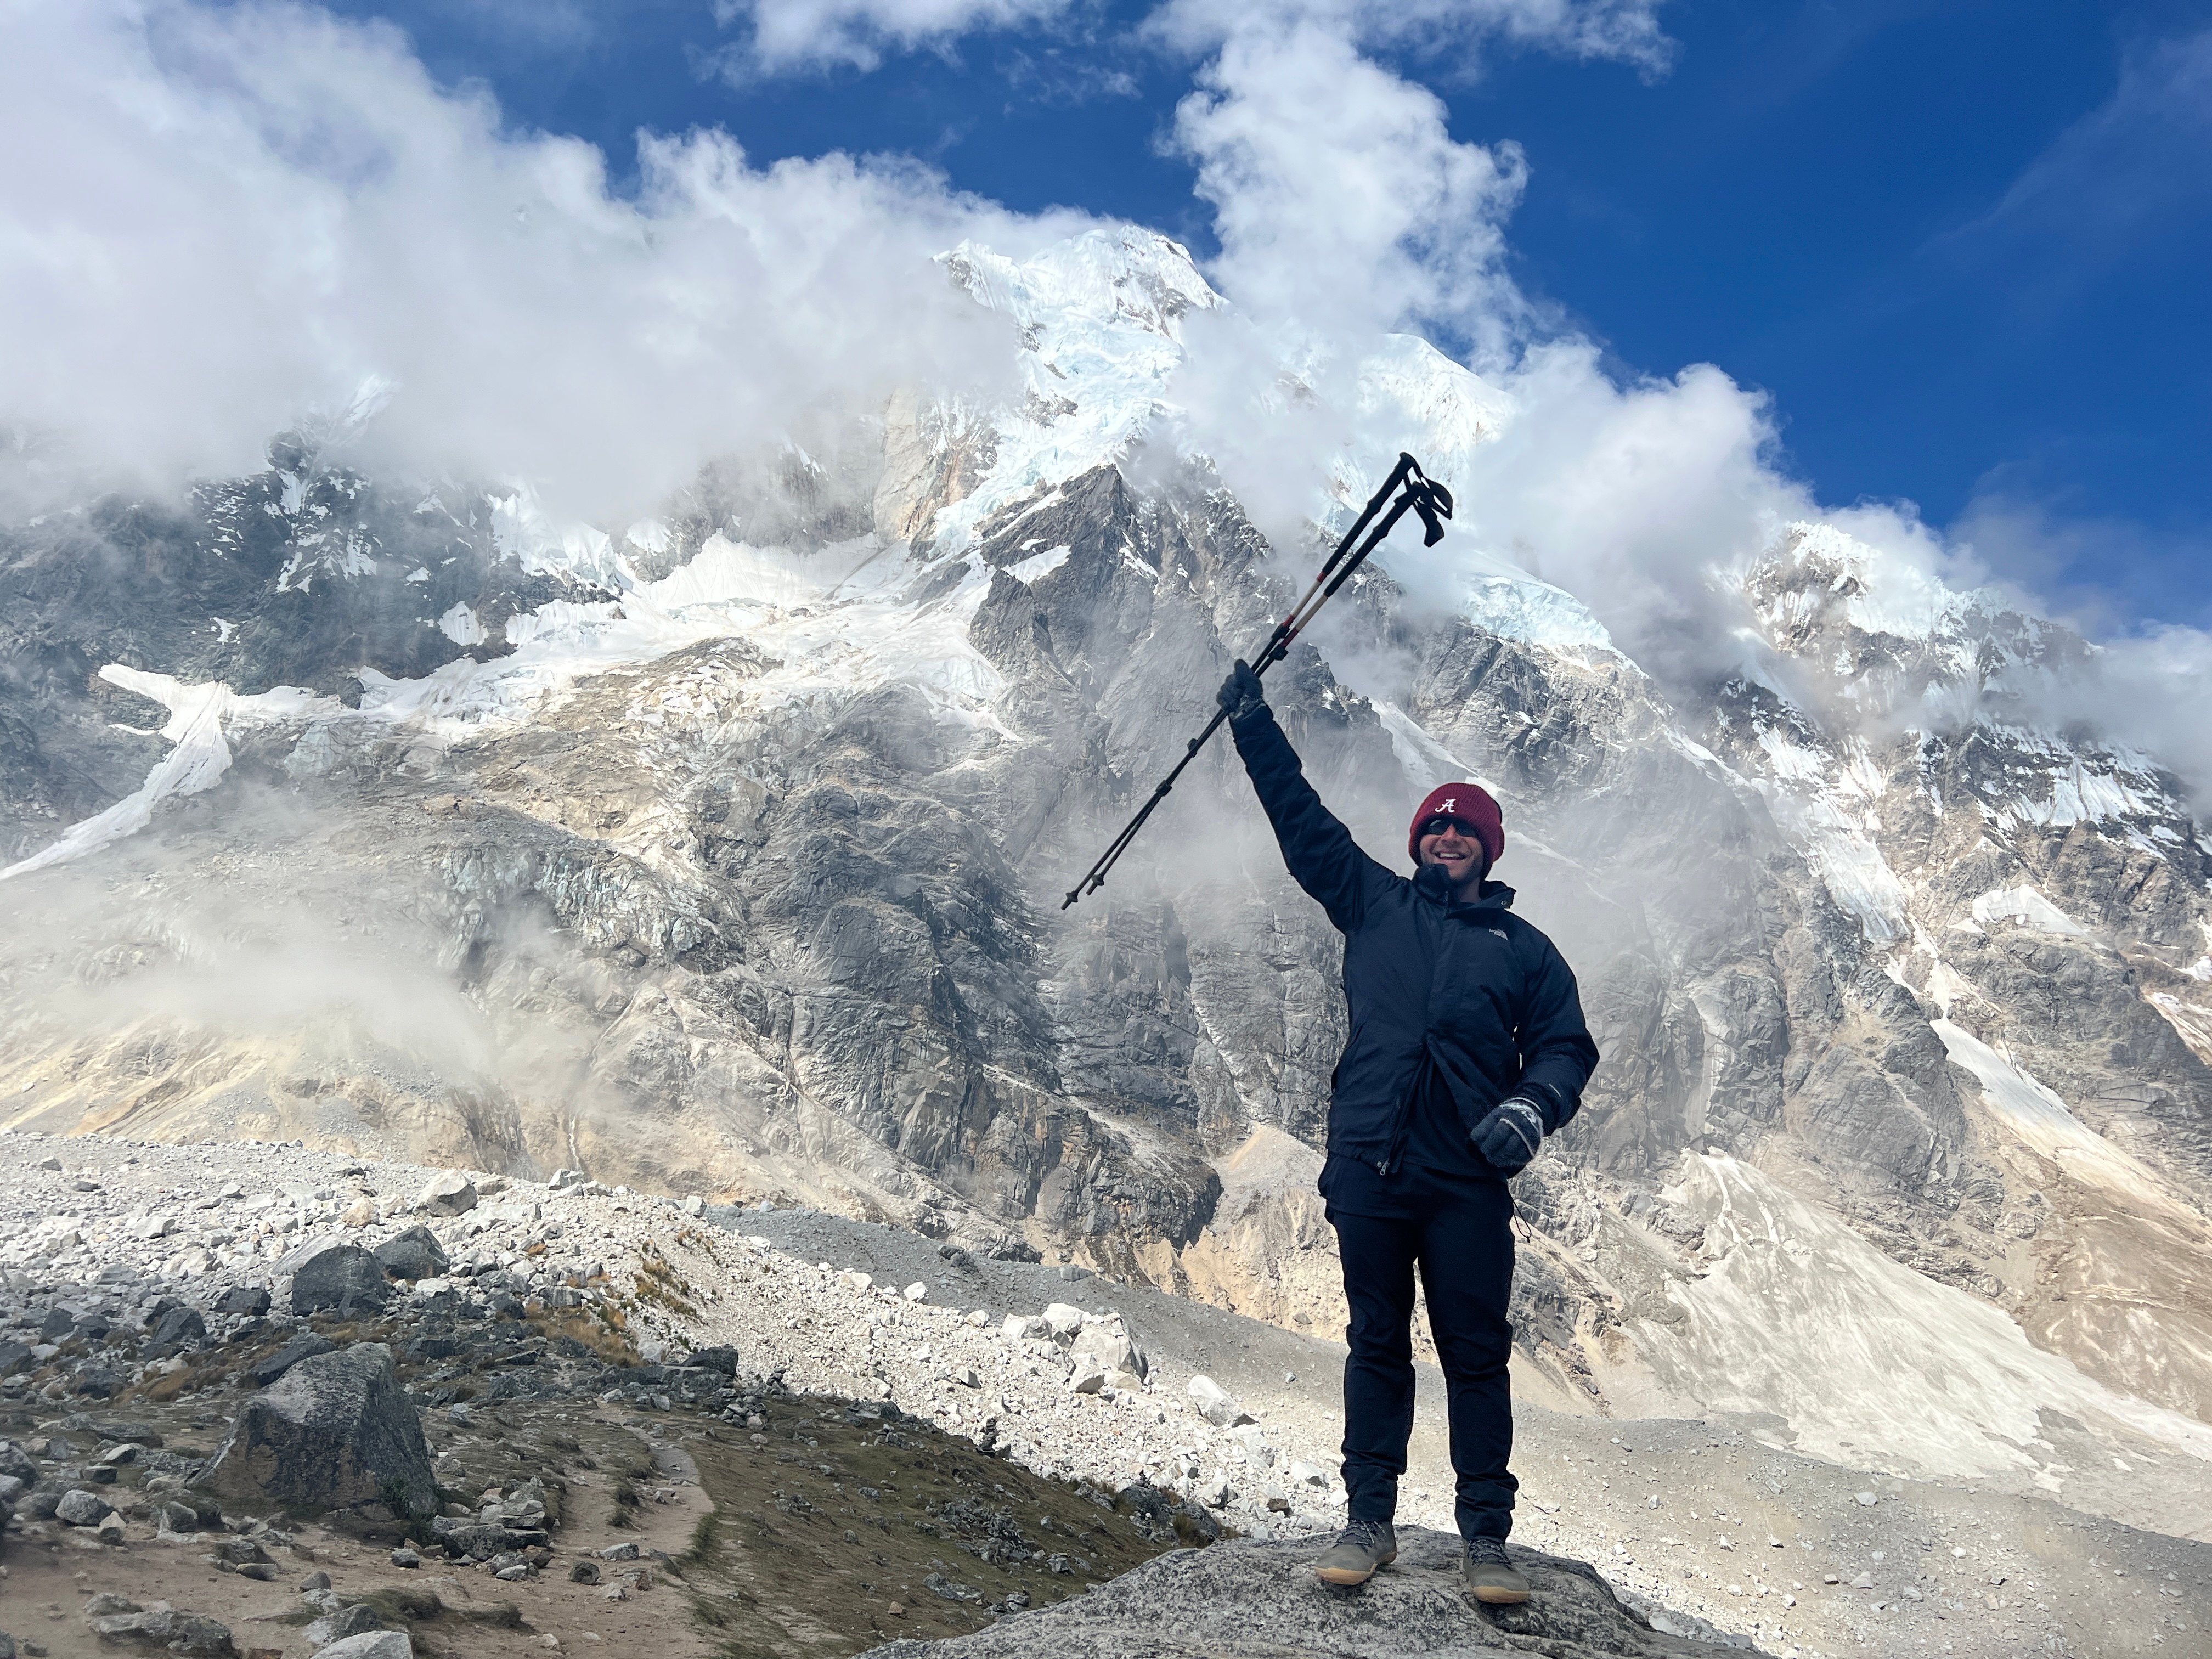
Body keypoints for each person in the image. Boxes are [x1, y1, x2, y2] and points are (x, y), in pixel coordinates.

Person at [1216, 658, 1599, 1604]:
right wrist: (1252, 726)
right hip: (1372, 1168)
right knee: (1377, 1341)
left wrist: (1530, 1107)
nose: (1449, 834)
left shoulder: (1527, 950)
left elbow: (1567, 1049)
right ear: (1418, 841)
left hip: (1467, 1178)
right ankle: (1369, 1521)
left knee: (1476, 1351)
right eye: (1436, 823)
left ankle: (1485, 1539)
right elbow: (1303, 826)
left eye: (1467, 827)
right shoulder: (1372, 901)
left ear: (1490, 849)